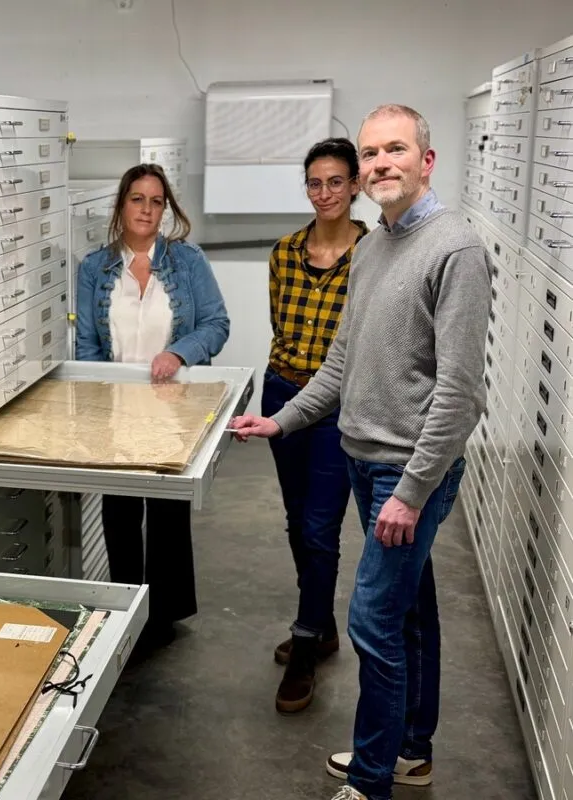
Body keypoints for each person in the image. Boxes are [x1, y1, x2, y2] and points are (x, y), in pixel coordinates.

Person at [230, 104, 490, 800]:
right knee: (407, 612)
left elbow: (460, 394)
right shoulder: (373, 247)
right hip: (359, 457)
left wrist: (408, 491)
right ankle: (410, 752)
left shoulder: (454, 249)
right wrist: (281, 422)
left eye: (394, 150)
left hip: (406, 473)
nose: (379, 164)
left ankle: (372, 781)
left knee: (371, 620)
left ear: (425, 160)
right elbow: (341, 366)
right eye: (370, 153)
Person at [75, 162, 231, 650]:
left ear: (167, 209)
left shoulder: (188, 262)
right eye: (137, 199)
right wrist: (94, 410)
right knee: (119, 517)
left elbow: (217, 324)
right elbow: (86, 348)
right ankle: (125, 611)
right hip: (117, 410)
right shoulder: (94, 268)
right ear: (121, 205)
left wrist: (179, 352)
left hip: (172, 408)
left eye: (156, 201)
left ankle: (162, 617)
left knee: (166, 517)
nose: (147, 209)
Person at [265, 137, 369, 715]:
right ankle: (322, 625)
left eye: (335, 181)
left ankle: (305, 646)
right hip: (283, 390)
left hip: (337, 406)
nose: (325, 192)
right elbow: (282, 325)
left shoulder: (376, 254)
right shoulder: (284, 252)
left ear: (355, 185)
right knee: (295, 520)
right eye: (315, 182)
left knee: (319, 528)